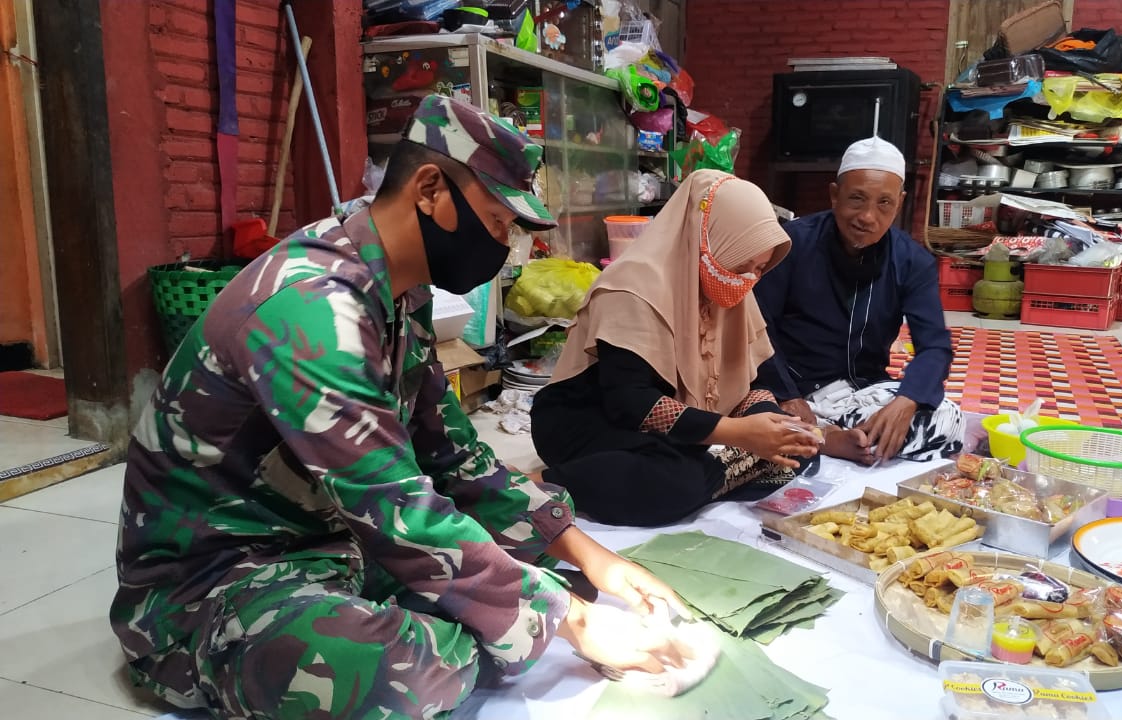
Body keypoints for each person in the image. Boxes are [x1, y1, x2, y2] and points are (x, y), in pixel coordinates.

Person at [112, 95, 692, 719]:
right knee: (389, 674)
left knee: (523, 568)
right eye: (497, 222)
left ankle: (478, 622)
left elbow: (453, 457)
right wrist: (571, 620)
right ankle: (463, 635)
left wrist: (587, 555)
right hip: (221, 581)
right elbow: (393, 504)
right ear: (430, 190)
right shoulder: (312, 309)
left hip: (331, 539)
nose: (503, 246)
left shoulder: (397, 294)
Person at [530, 170, 821, 527]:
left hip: (670, 430)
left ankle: (710, 475)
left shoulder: (730, 289)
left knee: (793, 451)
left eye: (759, 269)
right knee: (675, 481)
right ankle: (543, 483)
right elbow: (631, 403)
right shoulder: (632, 286)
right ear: (706, 240)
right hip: (591, 420)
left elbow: (752, 379)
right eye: (740, 264)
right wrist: (740, 434)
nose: (748, 279)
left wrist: (772, 426)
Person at [753, 137, 965, 466]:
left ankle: (833, 438)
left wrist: (907, 400)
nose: (867, 216)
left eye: (884, 203)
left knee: (948, 418)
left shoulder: (912, 261)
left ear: (900, 203)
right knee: (749, 411)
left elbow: (935, 346)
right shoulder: (791, 244)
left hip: (861, 392)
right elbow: (757, 326)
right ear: (834, 195)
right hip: (794, 389)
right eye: (857, 198)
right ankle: (825, 439)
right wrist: (786, 394)